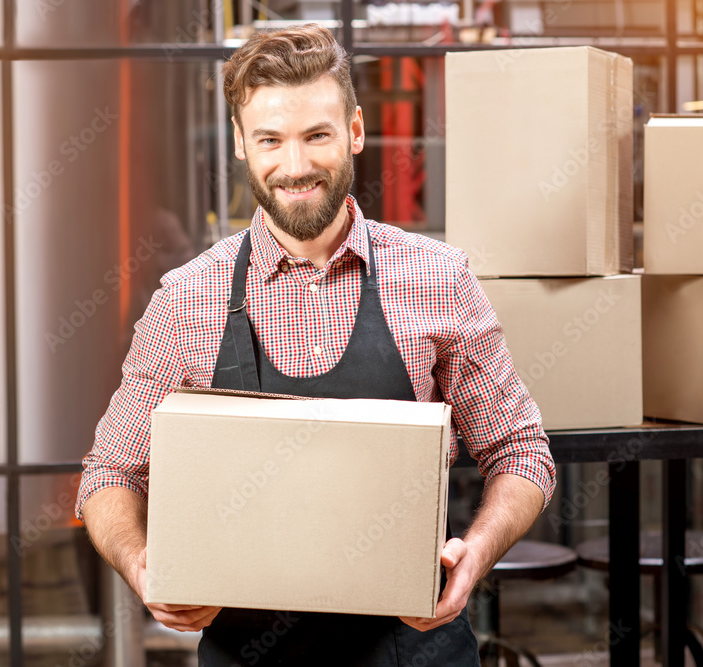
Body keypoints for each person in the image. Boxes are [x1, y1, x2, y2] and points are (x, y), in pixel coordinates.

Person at [76, 23, 556, 666]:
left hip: (410, 647)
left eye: (317, 136)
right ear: (241, 143)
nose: (295, 165)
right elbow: (108, 475)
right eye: (270, 139)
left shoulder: (439, 278)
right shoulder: (188, 298)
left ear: (355, 130)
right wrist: (143, 567)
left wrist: (474, 554)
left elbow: (522, 453)